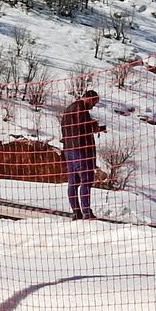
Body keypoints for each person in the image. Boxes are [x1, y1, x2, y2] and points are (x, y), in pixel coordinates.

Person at [59, 88, 106, 220]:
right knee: (86, 180)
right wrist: (96, 127)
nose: (93, 106)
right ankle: (86, 212)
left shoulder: (68, 109)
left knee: (73, 182)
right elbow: (83, 128)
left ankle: (76, 212)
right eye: (94, 103)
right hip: (81, 150)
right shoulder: (81, 109)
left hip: (69, 149)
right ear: (89, 99)